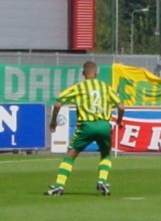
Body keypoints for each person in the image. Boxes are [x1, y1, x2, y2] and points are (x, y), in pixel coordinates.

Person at [46, 61, 125, 196]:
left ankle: (59, 185)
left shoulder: (79, 87)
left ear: (83, 74)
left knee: (71, 155)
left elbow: (58, 104)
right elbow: (121, 107)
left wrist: (53, 121)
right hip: (104, 125)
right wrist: (118, 121)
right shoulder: (105, 87)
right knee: (106, 153)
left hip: (86, 126)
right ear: (96, 73)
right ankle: (102, 180)